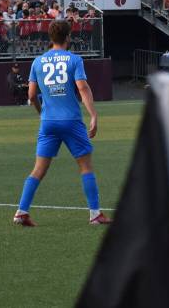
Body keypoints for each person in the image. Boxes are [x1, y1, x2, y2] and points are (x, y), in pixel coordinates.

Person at [13, 20, 109, 227]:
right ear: (68, 37)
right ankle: (95, 214)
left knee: (38, 169)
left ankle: (21, 211)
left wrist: (41, 113)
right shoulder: (74, 60)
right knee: (85, 166)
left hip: (48, 122)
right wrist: (93, 115)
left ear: (50, 38)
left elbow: (31, 95)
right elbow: (82, 88)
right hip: (71, 121)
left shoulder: (37, 62)